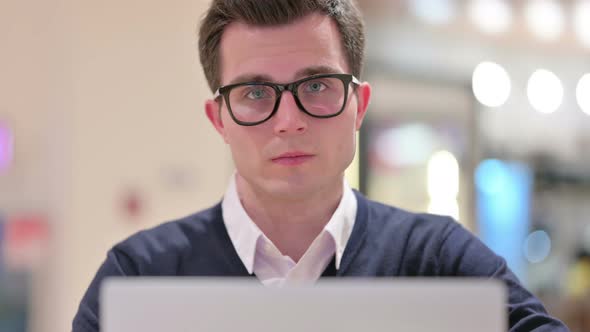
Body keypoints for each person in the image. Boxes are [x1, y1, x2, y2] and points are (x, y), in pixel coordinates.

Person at [72, 0, 569, 331]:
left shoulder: (439, 261)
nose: (288, 121)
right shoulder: (139, 278)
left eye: (315, 86)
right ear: (218, 118)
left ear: (360, 105)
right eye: (253, 93)